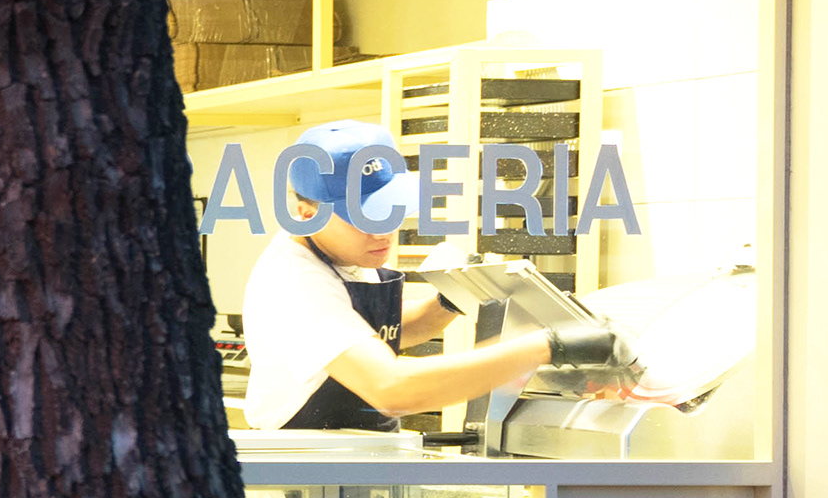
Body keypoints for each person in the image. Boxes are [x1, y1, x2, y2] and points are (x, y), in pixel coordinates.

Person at [240, 118, 607, 432]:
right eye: (363, 217)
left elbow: (382, 332)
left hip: (353, 461)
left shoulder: (344, 255)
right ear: (307, 215)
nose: (383, 231)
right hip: (305, 472)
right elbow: (391, 388)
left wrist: (448, 300)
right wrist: (546, 346)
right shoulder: (294, 283)